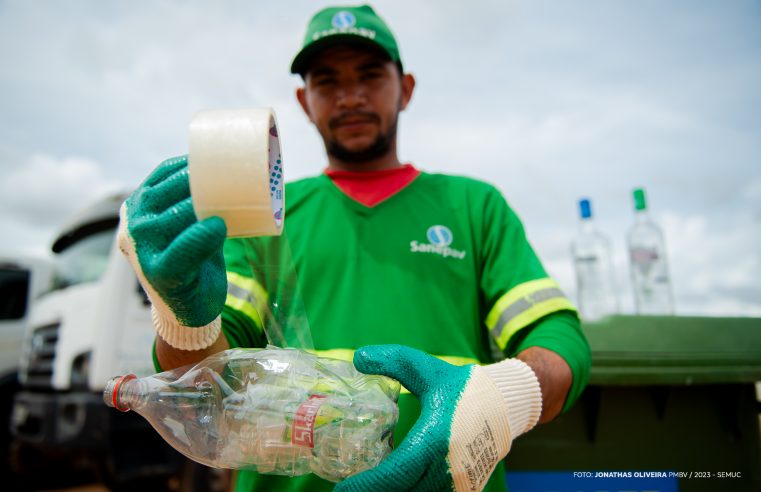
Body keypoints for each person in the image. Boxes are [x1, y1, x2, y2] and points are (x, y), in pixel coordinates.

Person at [117, 5, 591, 492]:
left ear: (405, 89)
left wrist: (502, 396)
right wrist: (184, 321)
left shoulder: (474, 206)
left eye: (369, 75)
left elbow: (557, 337)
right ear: (304, 101)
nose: (350, 97)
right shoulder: (263, 216)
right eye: (327, 82)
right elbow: (205, 382)